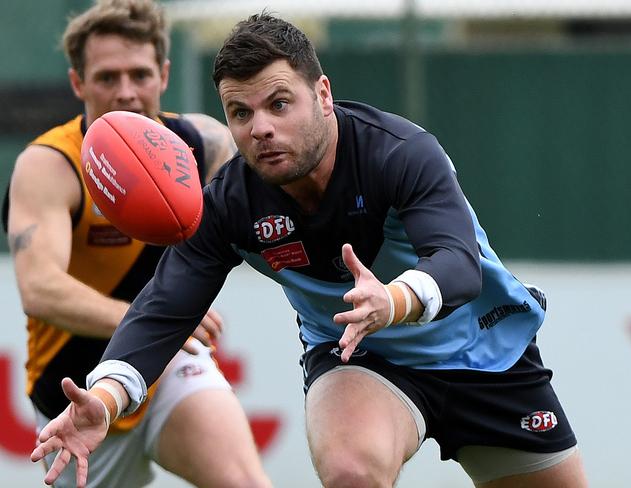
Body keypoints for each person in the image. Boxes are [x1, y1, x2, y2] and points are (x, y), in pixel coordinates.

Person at [31, 12, 589, 488]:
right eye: (241, 113)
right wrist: (103, 399)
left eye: (279, 103)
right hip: (363, 359)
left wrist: (393, 301)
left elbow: (458, 264)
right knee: (350, 472)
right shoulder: (229, 203)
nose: (261, 129)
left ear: (323, 94)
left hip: (486, 352)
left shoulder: (399, 152)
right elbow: (164, 308)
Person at [4, 1, 271, 487]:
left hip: (169, 367)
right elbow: (40, 288)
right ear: (77, 84)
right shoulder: (50, 164)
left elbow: (268, 217)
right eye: (107, 77)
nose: (126, 93)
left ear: (164, 75)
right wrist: (152, 321)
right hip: (75, 392)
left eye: (140, 74)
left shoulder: (205, 145)